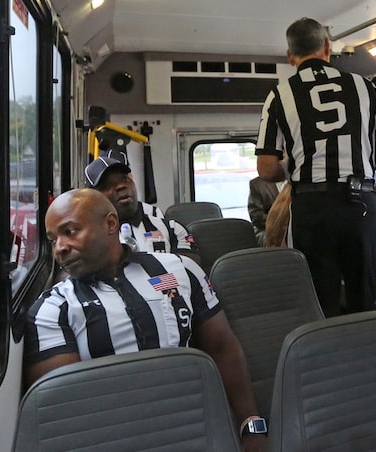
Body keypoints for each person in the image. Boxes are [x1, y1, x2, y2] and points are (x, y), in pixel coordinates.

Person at [24, 189, 266, 451]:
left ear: (110, 224)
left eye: (70, 231)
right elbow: (69, 410)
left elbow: (223, 349)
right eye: (52, 239)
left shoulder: (181, 270)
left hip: (196, 426)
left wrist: (251, 426)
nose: (59, 248)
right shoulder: (52, 310)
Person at [255, 17, 376, 316]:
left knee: (321, 301)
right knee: (364, 296)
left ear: (290, 56)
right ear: (327, 47)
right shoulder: (363, 85)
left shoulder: (279, 94)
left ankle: (329, 357)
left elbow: (267, 168)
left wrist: (293, 165)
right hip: (360, 202)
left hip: (311, 207)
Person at [83, 156, 200, 264]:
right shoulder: (85, 239)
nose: (121, 186)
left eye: (125, 180)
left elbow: (190, 273)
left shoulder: (173, 229)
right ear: (92, 196)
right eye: (107, 185)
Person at [247, 176, 287, 246]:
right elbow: (256, 216)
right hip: (267, 229)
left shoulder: (299, 180)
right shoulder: (257, 184)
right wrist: (279, 223)